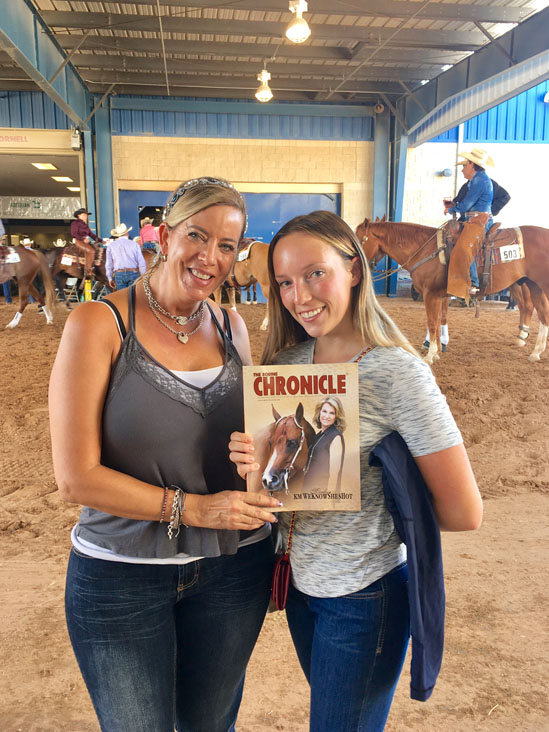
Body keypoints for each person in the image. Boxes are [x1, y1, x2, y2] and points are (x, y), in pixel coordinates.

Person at [229, 210, 483, 732]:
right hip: (301, 590)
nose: (299, 296)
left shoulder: (397, 374)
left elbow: (464, 511)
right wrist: (251, 466)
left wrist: (366, 496)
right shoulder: (283, 368)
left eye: (315, 273)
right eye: (284, 282)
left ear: (355, 270)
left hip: (366, 596)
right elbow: (266, 498)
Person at [49, 176, 281, 732]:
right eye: (197, 237)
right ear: (167, 235)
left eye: (227, 246)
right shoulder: (98, 324)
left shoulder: (232, 326)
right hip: (121, 576)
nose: (210, 258)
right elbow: (75, 479)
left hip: (233, 570)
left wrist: (269, 464)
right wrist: (195, 509)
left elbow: (256, 449)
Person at [444, 148, 494, 302]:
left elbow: (467, 204)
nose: (462, 170)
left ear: (473, 164)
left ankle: (473, 283)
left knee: (464, 246)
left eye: (464, 166)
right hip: (474, 219)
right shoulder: (477, 180)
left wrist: (452, 208)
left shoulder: (480, 181)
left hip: (479, 221)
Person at [304, 396, 345, 492]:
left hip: (322, 493)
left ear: (336, 417)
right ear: (319, 412)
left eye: (332, 413)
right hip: (309, 490)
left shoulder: (336, 437)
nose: (327, 416)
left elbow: (334, 475)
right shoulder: (318, 435)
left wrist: (328, 501)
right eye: (324, 411)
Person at [105, 222, 147, 290]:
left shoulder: (111, 246)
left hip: (119, 274)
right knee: (133, 297)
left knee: (122, 298)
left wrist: (110, 278)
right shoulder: (135, 244)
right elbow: (141, 262)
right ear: (127, 233)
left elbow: (109, 265)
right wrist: (143, 276)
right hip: (133, 273)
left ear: (118, 235)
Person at [70, 208, 103, 280]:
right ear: (79, 215)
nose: (86, 216)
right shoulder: (75, 223)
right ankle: (88, 271)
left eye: (86, 215)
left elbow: (92, 235)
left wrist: (101, 241)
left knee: (97, 249)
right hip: (78, 241)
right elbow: (74, 234)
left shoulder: (85, 225)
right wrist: (83, 239)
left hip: (85, 241)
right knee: (91, 251)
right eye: (84, 215)